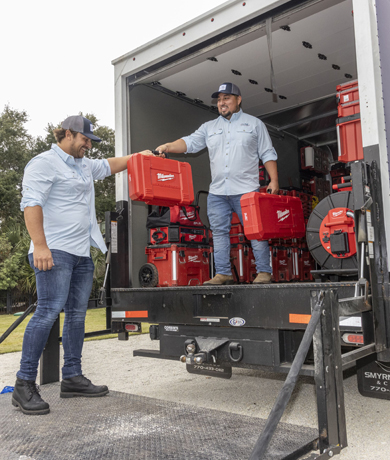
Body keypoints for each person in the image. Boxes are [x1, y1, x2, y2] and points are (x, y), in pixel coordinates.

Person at [12, 115, 152, 415]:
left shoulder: (84, 165)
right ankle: (24, 384)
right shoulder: (43, 163)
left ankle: (72, 377)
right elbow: (31, 204)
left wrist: (142, 156)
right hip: (54, 251)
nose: (88, 145)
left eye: (90, 141)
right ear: (66, 134)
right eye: (85, 139)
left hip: (81, 253)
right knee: (48, 312)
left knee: (77, 315)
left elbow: (112, 164)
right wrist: (40, 245)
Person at [156, 82, 279, 285]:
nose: (222, 103)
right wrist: (168, 146)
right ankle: (223, 274)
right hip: (218, 193)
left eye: (227, 98)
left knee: (255, 231)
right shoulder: (209, 128)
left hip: (247, 191)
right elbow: (190, 142)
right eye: (219, 99)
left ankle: (264, 272)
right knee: (219, 233)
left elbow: (267, 152)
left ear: (238, 100)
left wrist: (274, 180)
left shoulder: (254, 124)